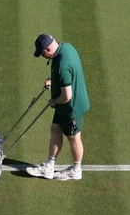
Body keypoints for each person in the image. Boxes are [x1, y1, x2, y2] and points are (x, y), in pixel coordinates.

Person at [29, 32, 89, 181]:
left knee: (74, 138)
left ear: (48, 49)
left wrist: (54, 102)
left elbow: (67, 96)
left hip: (71, 108)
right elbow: (67, 74)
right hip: (65, 105)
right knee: (55, 129)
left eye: (42, 53)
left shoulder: (62, 65)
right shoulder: (67, 48)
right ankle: (48, 167)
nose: (43, 57)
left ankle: (76, 170)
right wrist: (52, 80)